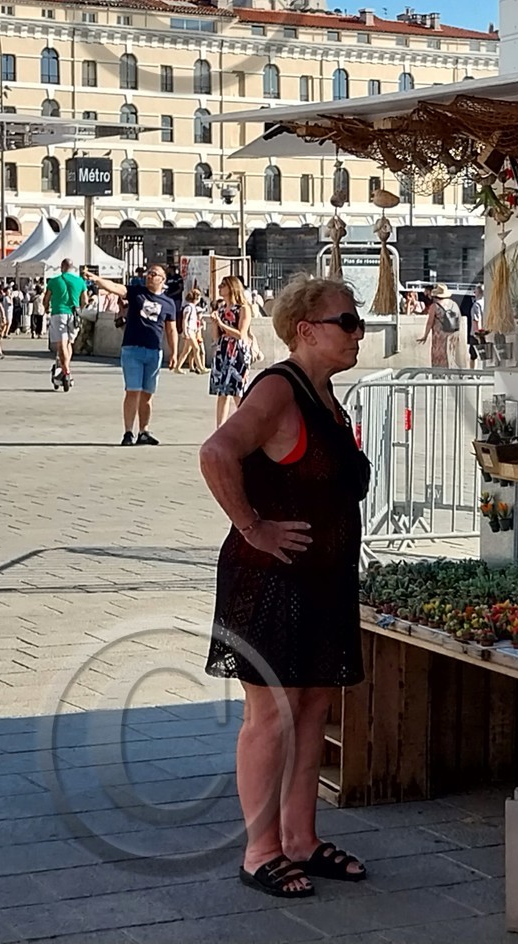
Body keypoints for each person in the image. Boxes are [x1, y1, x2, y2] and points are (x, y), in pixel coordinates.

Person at [200, 274, 370, 898]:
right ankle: (260, 850)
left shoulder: (324, 395)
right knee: (271, 715)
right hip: (271, 581)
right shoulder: (279, 389)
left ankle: (300, 838)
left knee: (312, 709)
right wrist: (253, 527)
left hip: (322, 580)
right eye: (347, 321)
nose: (359, 332)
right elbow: (217, 452)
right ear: (307, 330)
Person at [84, 263, 178, 446]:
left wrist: (174, 353)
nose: (150, 276)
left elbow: (171, 329)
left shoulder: (168, 303)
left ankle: (144, 431)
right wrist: (97, 280)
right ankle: (128, 432)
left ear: (163, 279)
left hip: (154, 351)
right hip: (132, 349)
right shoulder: (137, 292)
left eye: (154, 274)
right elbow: (117, 288)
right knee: (132, 391)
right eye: (149, 273)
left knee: (147, 394)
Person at [210, 276, 256, 427]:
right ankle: (219, 428)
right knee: (222, 392)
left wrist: (221, 323)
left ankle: (248, 426)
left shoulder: (243, 308)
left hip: (237, 352)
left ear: (231, 287)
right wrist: (214, 323)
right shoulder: (221, 309)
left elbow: (240, 334)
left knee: (238, 391)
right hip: (222, 351)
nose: (219, 287)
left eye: (223, 285)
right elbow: (216, 337)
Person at [44, 259, 88, 393]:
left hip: (59, 312)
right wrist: (80, 309)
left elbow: (46, 299)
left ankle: (66, 371)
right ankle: (66, 368)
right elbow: (85, 300)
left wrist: (46, 309)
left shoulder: (54, 281)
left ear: (62, 267)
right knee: (69, 343)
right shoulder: (80, 281)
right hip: (74, 314)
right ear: (72, 267)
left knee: (61, 344)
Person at [419, 282, 461, 368]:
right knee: (451, 356)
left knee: (439, 357)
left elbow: (429, 323)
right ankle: (450, 375)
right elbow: (458, 318)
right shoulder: (454, 304)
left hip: (439, 336)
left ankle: (439, 377)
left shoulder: (435, 306)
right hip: (452, 335)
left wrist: (425, 336)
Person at [177, 287, 208, 375]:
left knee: (186, 351)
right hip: (189, 330)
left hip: (192, 330)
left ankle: (178, 367)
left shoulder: (192, 307)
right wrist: (185, 331)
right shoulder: (189, 308)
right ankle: (201, 367)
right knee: (196, 348)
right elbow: (185, 320)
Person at [468, 282, 486, 366]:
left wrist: (477, 334)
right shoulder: (486, 303)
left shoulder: (476, 305)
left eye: (475, 292)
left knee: (473, 355)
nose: (474, 294)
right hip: (486, 331)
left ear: (478, 293)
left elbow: (476, 319)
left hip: (477, 333)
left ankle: (473, 374)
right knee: (485, 353)